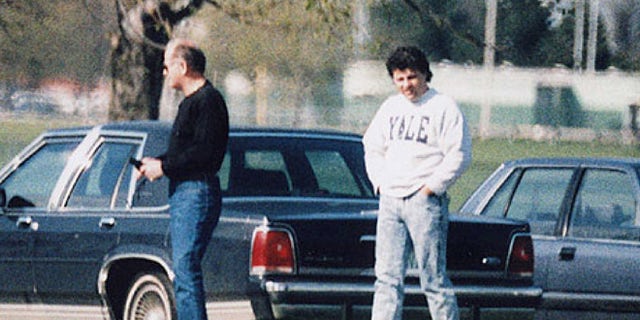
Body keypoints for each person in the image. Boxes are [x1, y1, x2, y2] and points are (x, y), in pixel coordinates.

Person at [362, 46, 471, 320]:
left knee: (433, 280)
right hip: (391, 201)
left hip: (424, 203)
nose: (406, 85)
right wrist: (380, 183)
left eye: (411, 77)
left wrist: (430, 188)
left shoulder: (443, 107)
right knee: (386, 280)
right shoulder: (390, 107)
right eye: (399, 79)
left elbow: (459, 154)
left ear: (424, 75)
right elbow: (371, 146)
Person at [139, 38, 229, 320]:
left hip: (196, 191)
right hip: (184, 192)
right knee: (183, 269)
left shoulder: (208, 101)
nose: (164, 73)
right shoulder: (190, 104)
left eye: (166, 67)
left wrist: (164, 168)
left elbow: (203, 153)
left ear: (182, 66)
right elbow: (185, 150)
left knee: (186, 268)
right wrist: (159, 162)